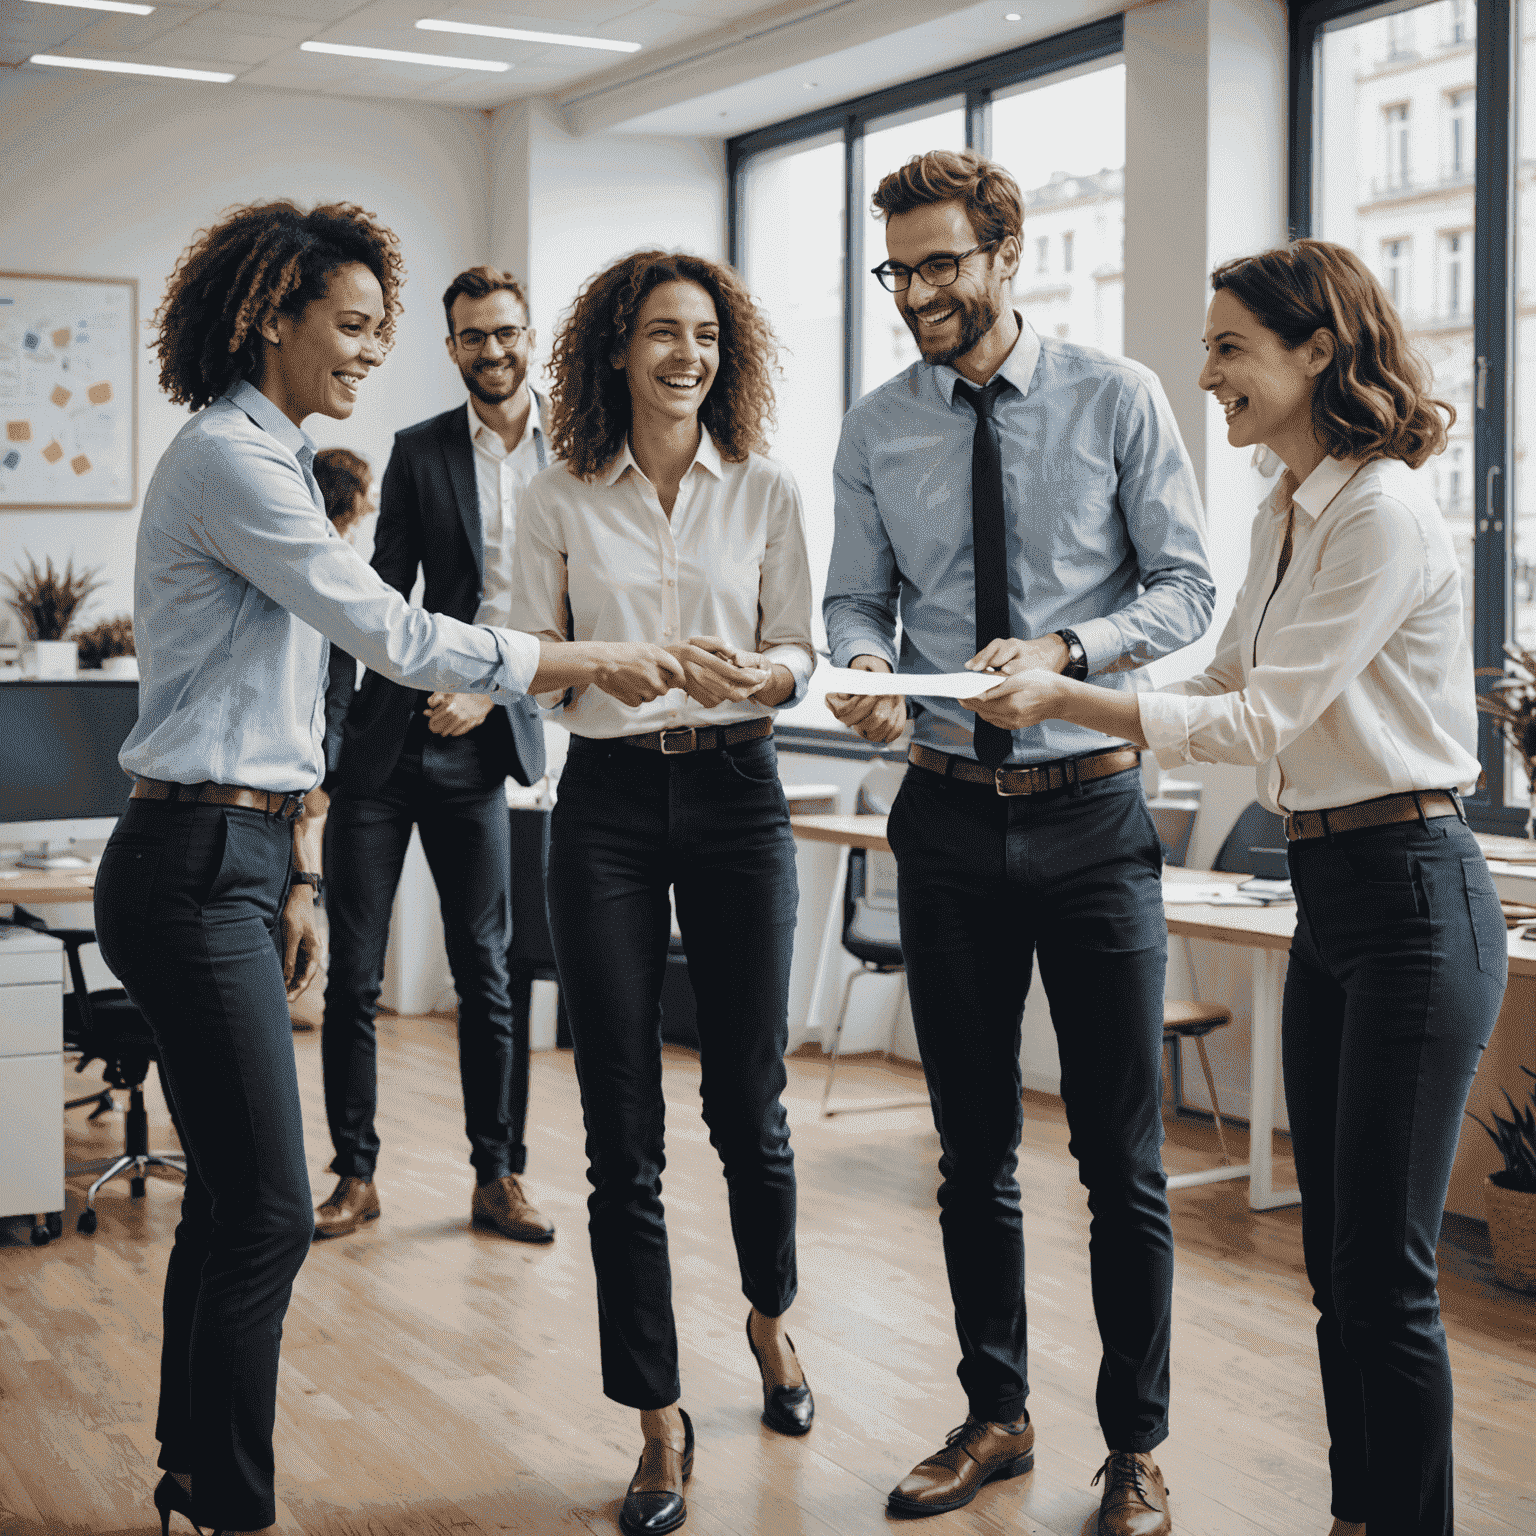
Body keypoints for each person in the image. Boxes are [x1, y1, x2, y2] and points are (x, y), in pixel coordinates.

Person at [92, 199, 685, 1536]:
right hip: (191, 863)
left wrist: (292, 871)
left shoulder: (272, 458)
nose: (371, 353)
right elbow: (385, 633)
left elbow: (283, 700)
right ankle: (233, 1507)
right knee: (271, 1211)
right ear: (271, 320)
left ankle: (194, 1477)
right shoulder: (235, 462)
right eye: (352, 327)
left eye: (378, 329)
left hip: (227, 852)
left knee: (236, 1203)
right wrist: (578, 660)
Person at [979, 238, 1503, 1536]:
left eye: (1229, 348)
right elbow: (1217, 686)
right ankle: (1356, 1517)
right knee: (1339, 1268)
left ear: (1318, 349)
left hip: (1415, 896)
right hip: (1330, 890)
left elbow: (1265, 720)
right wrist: (1072, 690)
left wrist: (1065, 695)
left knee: (1383, 1277)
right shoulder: (1285, 503)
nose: (1206, 373)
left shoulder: (1380, 509)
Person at [823, 149, 1214, 1534]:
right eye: (898, 269)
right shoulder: (878, 425)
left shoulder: (1118, 398)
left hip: (1093, 813)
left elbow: (1187, 590)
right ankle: (996, 1414)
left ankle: (1137, 1447)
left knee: (1122, 1159)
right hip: (940, 813)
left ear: (1005, 257)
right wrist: (863, 672)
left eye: (938, 263)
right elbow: (855, 600)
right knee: (970, 1144)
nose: (916, 291)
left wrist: (1068, 646)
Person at [508, 249, 816, 1536]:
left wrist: (766, 677)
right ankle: (655, 1420)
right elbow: (528, 659)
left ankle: (769, 1321)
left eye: (704, 336)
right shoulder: (557, 494)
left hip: (743, 794)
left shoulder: (769, 489)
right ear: (617, 352)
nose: (684, 355)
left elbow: (804, 646)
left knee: (750, 1097)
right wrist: (609, 669)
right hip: (612, 809)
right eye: (658, 334)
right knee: (619, 1126)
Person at [314, 267, 556, 1245]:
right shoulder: (419, 451)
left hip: (484, 753)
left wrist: (492, 688)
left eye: (503, 333)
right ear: (451, 348)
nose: (489, 352)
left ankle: (498, 1177)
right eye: (470, 337)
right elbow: (376, 604)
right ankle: (354, 1176)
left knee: (487, 976)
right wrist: (329, 746)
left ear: (527, 335)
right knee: (352, 979)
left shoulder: (578, 459)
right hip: (383, 753)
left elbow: (576, 618)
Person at [283, 446, 373, 1034]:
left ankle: (294, 993)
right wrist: (324, 768)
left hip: (318, 751)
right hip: (314, 755)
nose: (375, 504)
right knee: (303, 875)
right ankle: (292, 993)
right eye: (368, 490)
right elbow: (335, 685)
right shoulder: (328, 562)